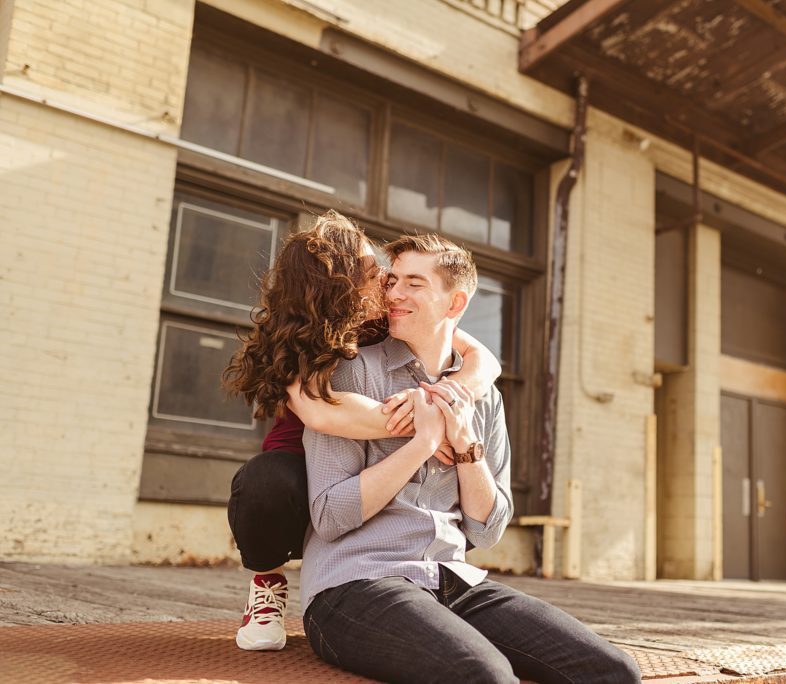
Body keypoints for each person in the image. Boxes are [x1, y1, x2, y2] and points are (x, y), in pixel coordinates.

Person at [301, 234, 641, 683]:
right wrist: (421, 444)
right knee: (486, 676)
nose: (394, 293)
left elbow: (488, 528)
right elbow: (328, 517)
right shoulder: (349, 373)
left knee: (615, 672)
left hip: (453, 581)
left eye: (415, 284)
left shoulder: (484, 399)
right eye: (393, 280)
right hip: (355, 585)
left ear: (455, 302)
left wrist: (465, 448)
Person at [222, 212, 501, 651]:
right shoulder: (298, 340)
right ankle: (268, 578)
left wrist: (456, 393)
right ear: (342, 285)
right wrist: (437, 427)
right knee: (266, 480)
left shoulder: (383, 321)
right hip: (301, 468)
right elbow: (328, 417)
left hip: (370, 461)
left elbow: (482, 357)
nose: (389, 283)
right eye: (375, 273)